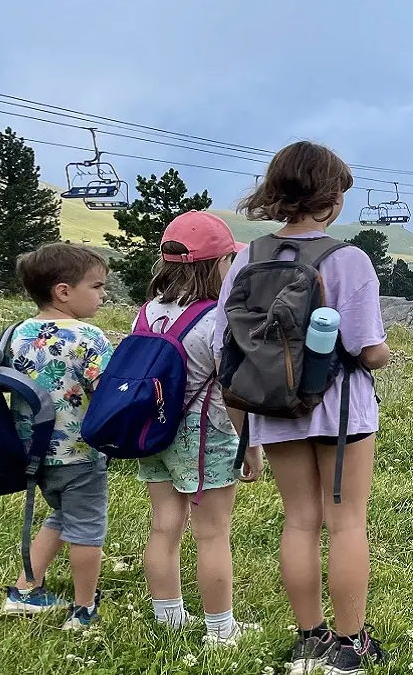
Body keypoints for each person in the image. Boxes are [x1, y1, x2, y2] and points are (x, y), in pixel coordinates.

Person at [212, 142, 391, 675]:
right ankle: (350, 645)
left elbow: (229, 347)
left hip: (272, 407)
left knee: (299, 521)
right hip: (339, 413)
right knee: (346, 522)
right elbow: (367, 349)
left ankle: (309, 639)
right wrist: (384, 353)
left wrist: (242, 430)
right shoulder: (347, 260)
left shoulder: (247, 257)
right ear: (331, 199)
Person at [136, 210, 263, 645]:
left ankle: (168, 617)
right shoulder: (216, 321)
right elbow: (231, 391)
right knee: (212, 533)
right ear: (218, 265)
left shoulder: (149, 311)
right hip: (204, 433)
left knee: (163, 526)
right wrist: (250, 446)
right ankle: (220, 630)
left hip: (152, 428)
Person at [0, 243, 114, 630]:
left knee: (61, 515)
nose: (103, 295)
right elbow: (108, 394)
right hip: (80, 453)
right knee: (87, 529)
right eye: (97, 287)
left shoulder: (15, 334)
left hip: (31, 452)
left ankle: (25, 591)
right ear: (63, 291)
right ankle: (83, 610)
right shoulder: (89, 337)